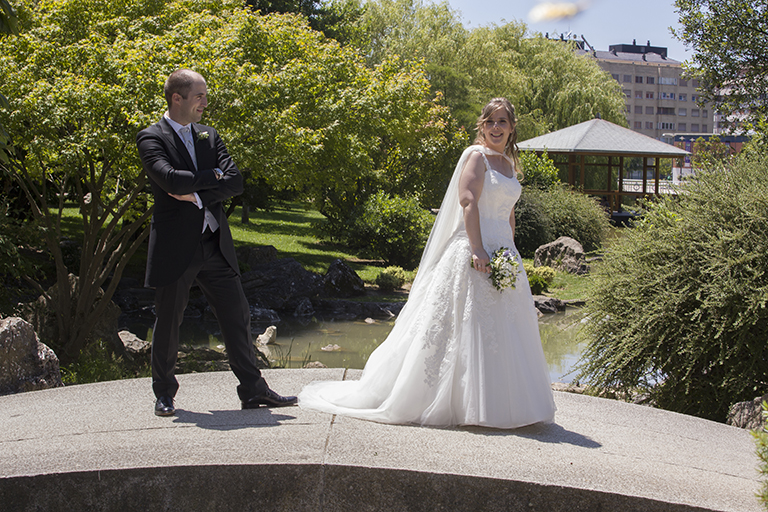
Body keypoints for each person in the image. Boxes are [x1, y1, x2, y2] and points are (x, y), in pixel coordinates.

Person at [298, 98, 556, 428]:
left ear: (512, 127)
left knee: (504, 328)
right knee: (463, 325)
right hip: (474, 251)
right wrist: (478, 249)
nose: (496, 127)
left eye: (502, 121)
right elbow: (468, 202)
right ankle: (455, 401)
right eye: (490, 121)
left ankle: (503, 404)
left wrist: (510, 251)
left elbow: (509, 213)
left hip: (504, 254)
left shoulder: (508, 163)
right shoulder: (475, 157)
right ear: (482, 125)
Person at [136, 69, 297, 416]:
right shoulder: (151, 137)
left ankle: (253, 390)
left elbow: (235, 182)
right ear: (176, 98)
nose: (205, 103)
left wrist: (196, 195)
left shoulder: (209, 135)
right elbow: (169, 180)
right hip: (175, 248)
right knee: (168, 322)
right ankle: (164, 394)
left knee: (237, 316)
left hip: (214, 244)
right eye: (199, 96)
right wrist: (212, 177)